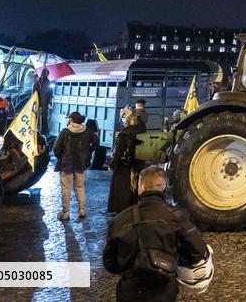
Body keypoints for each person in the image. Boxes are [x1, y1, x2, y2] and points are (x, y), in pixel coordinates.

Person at [102, 165, 210, 301]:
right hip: (164, 292)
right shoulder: (178, 216)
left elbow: (110, 264)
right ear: (164, 187)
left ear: (141, 187)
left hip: (130, 291)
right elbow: (198, 251)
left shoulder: (118, 220)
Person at [53, 111, 98, 220]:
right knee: (80, 187)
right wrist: (88, 152)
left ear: (71, 120)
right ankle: (82, 210)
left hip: (66, 164)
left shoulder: (65, 132)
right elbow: (96, 143)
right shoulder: (88, 131)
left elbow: (56, 148)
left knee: (66, 188)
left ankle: (66, 212)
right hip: (81, 164)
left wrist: (61, 157)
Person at [108, 111, 146, 214]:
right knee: (134, 188)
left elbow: (119, 152)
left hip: (123, 166)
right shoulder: (142, 132)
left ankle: (121, 210)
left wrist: (112, 165)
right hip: (137, 164)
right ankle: (133, 208)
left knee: (122, 190)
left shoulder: (123, 134)